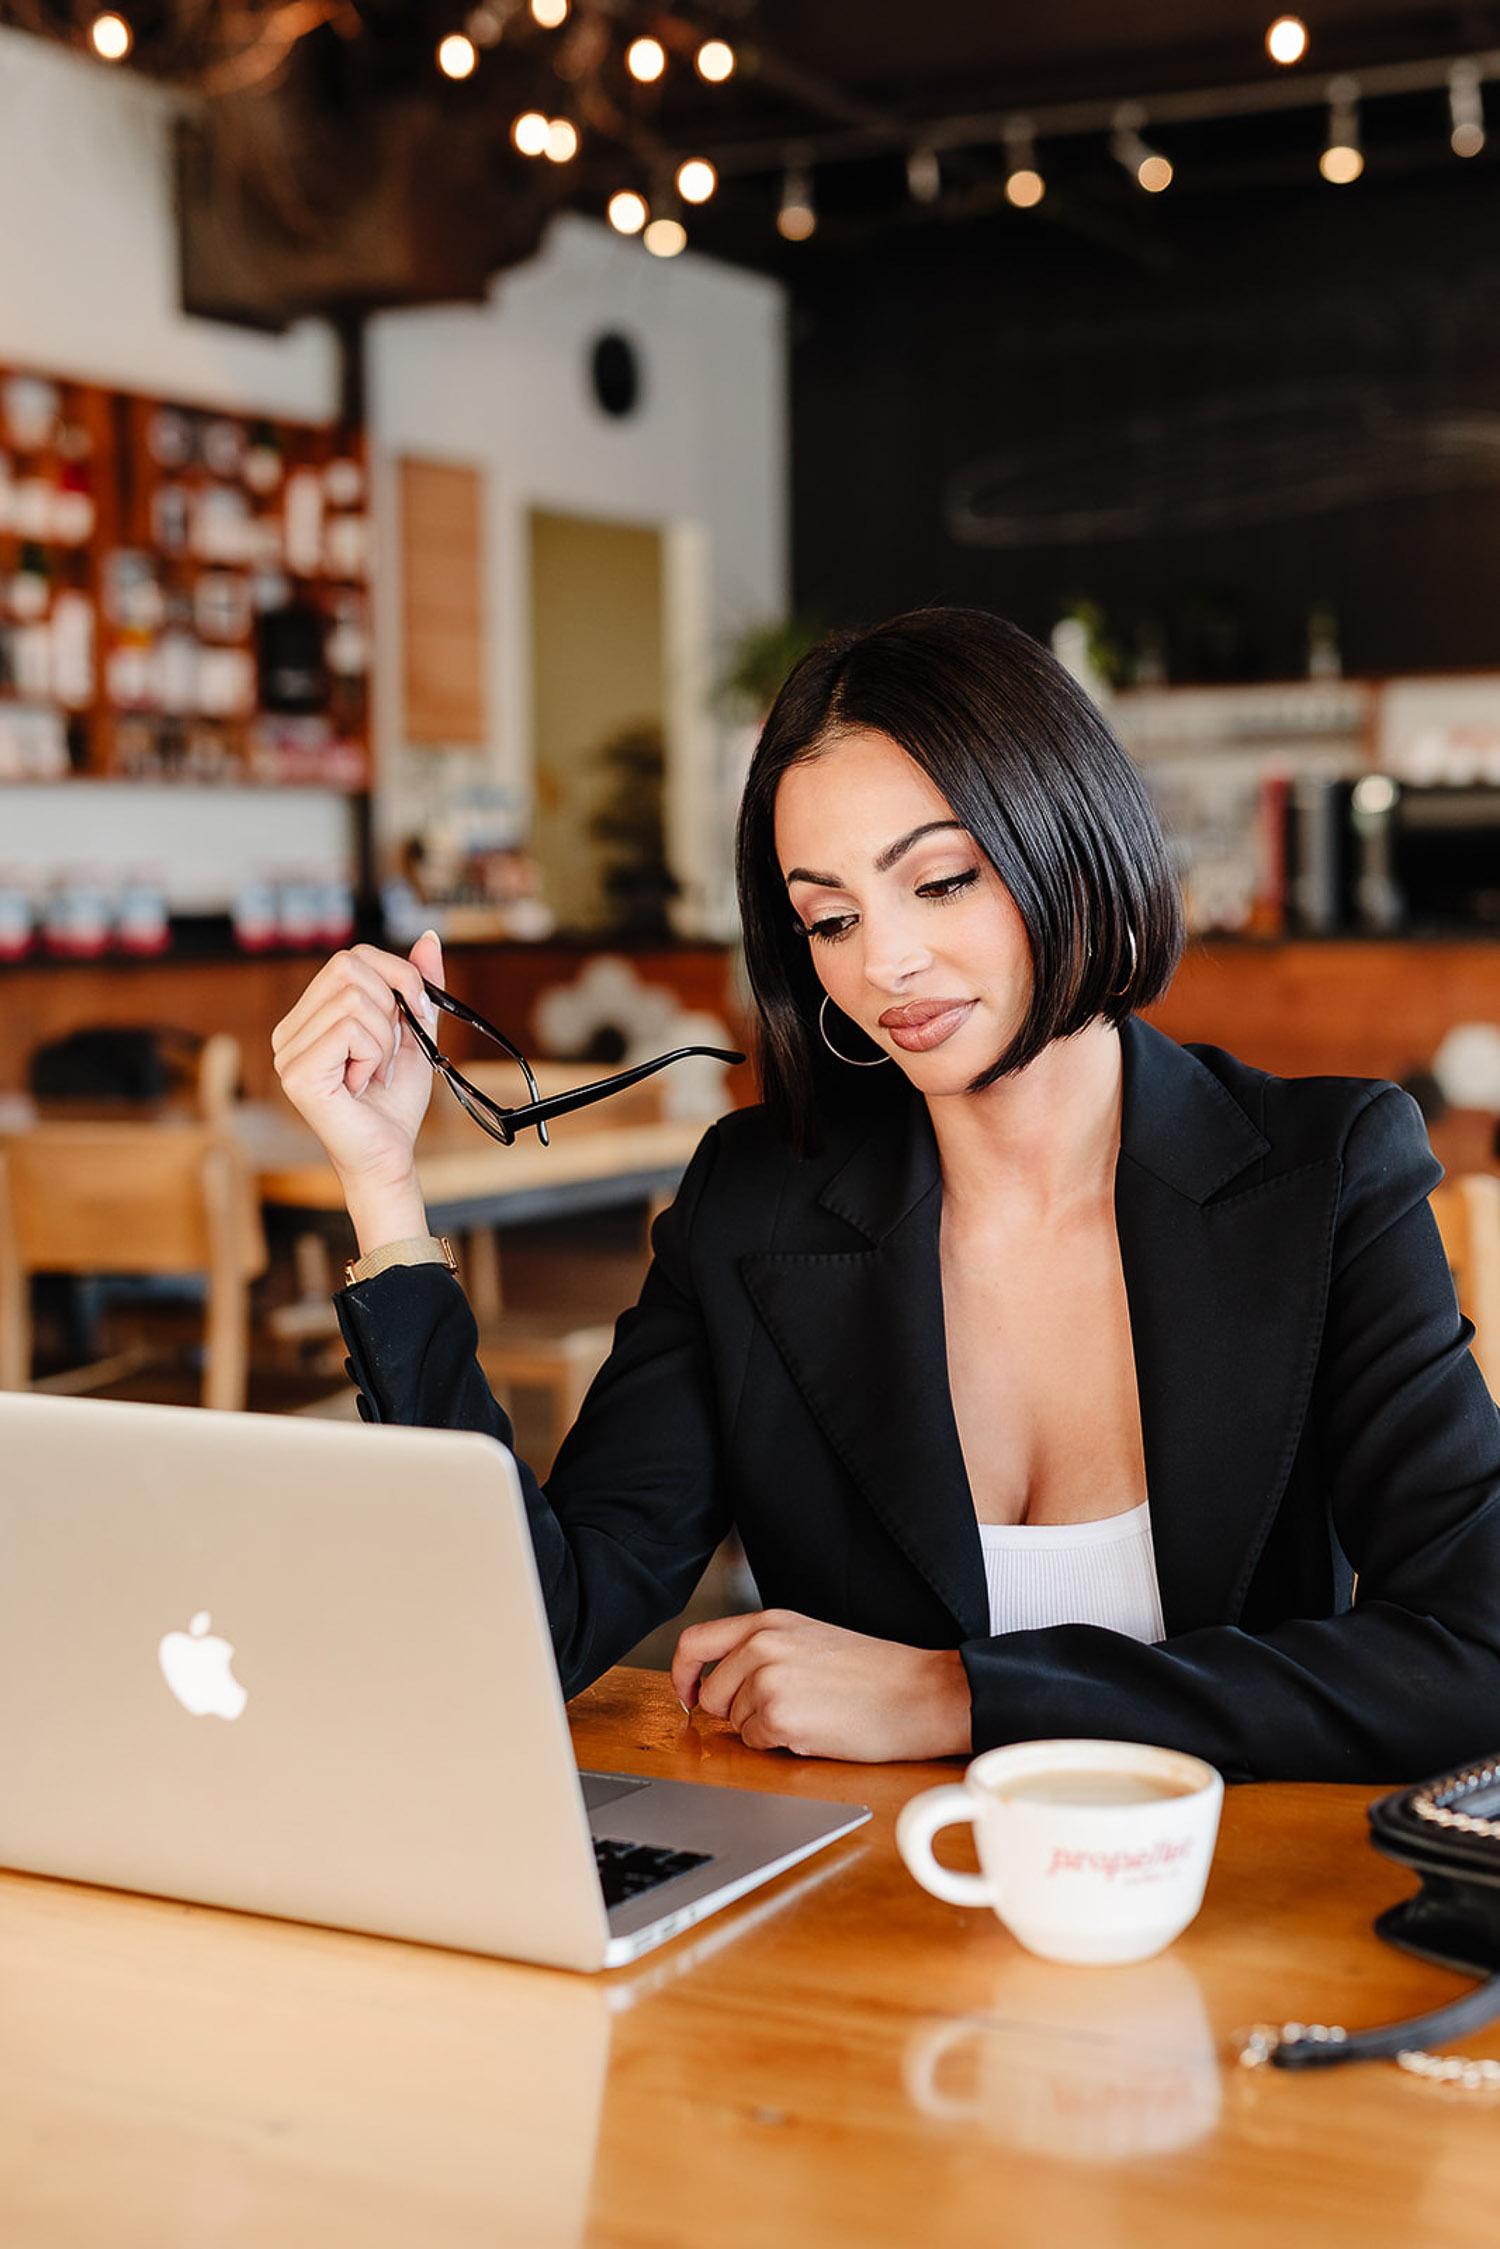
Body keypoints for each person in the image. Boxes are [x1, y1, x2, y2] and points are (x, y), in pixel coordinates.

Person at [272, 608, 1500, 1779]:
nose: (884, 963)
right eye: (830, 915)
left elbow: (1471, 1653)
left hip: (1214, 1910)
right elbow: (530, 1630)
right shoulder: (752, 1212)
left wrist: (958, 1694)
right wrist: (385, 1186)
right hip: (872, 1918)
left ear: (1063, 831)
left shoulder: (1325, 1172)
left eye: (944, 880)